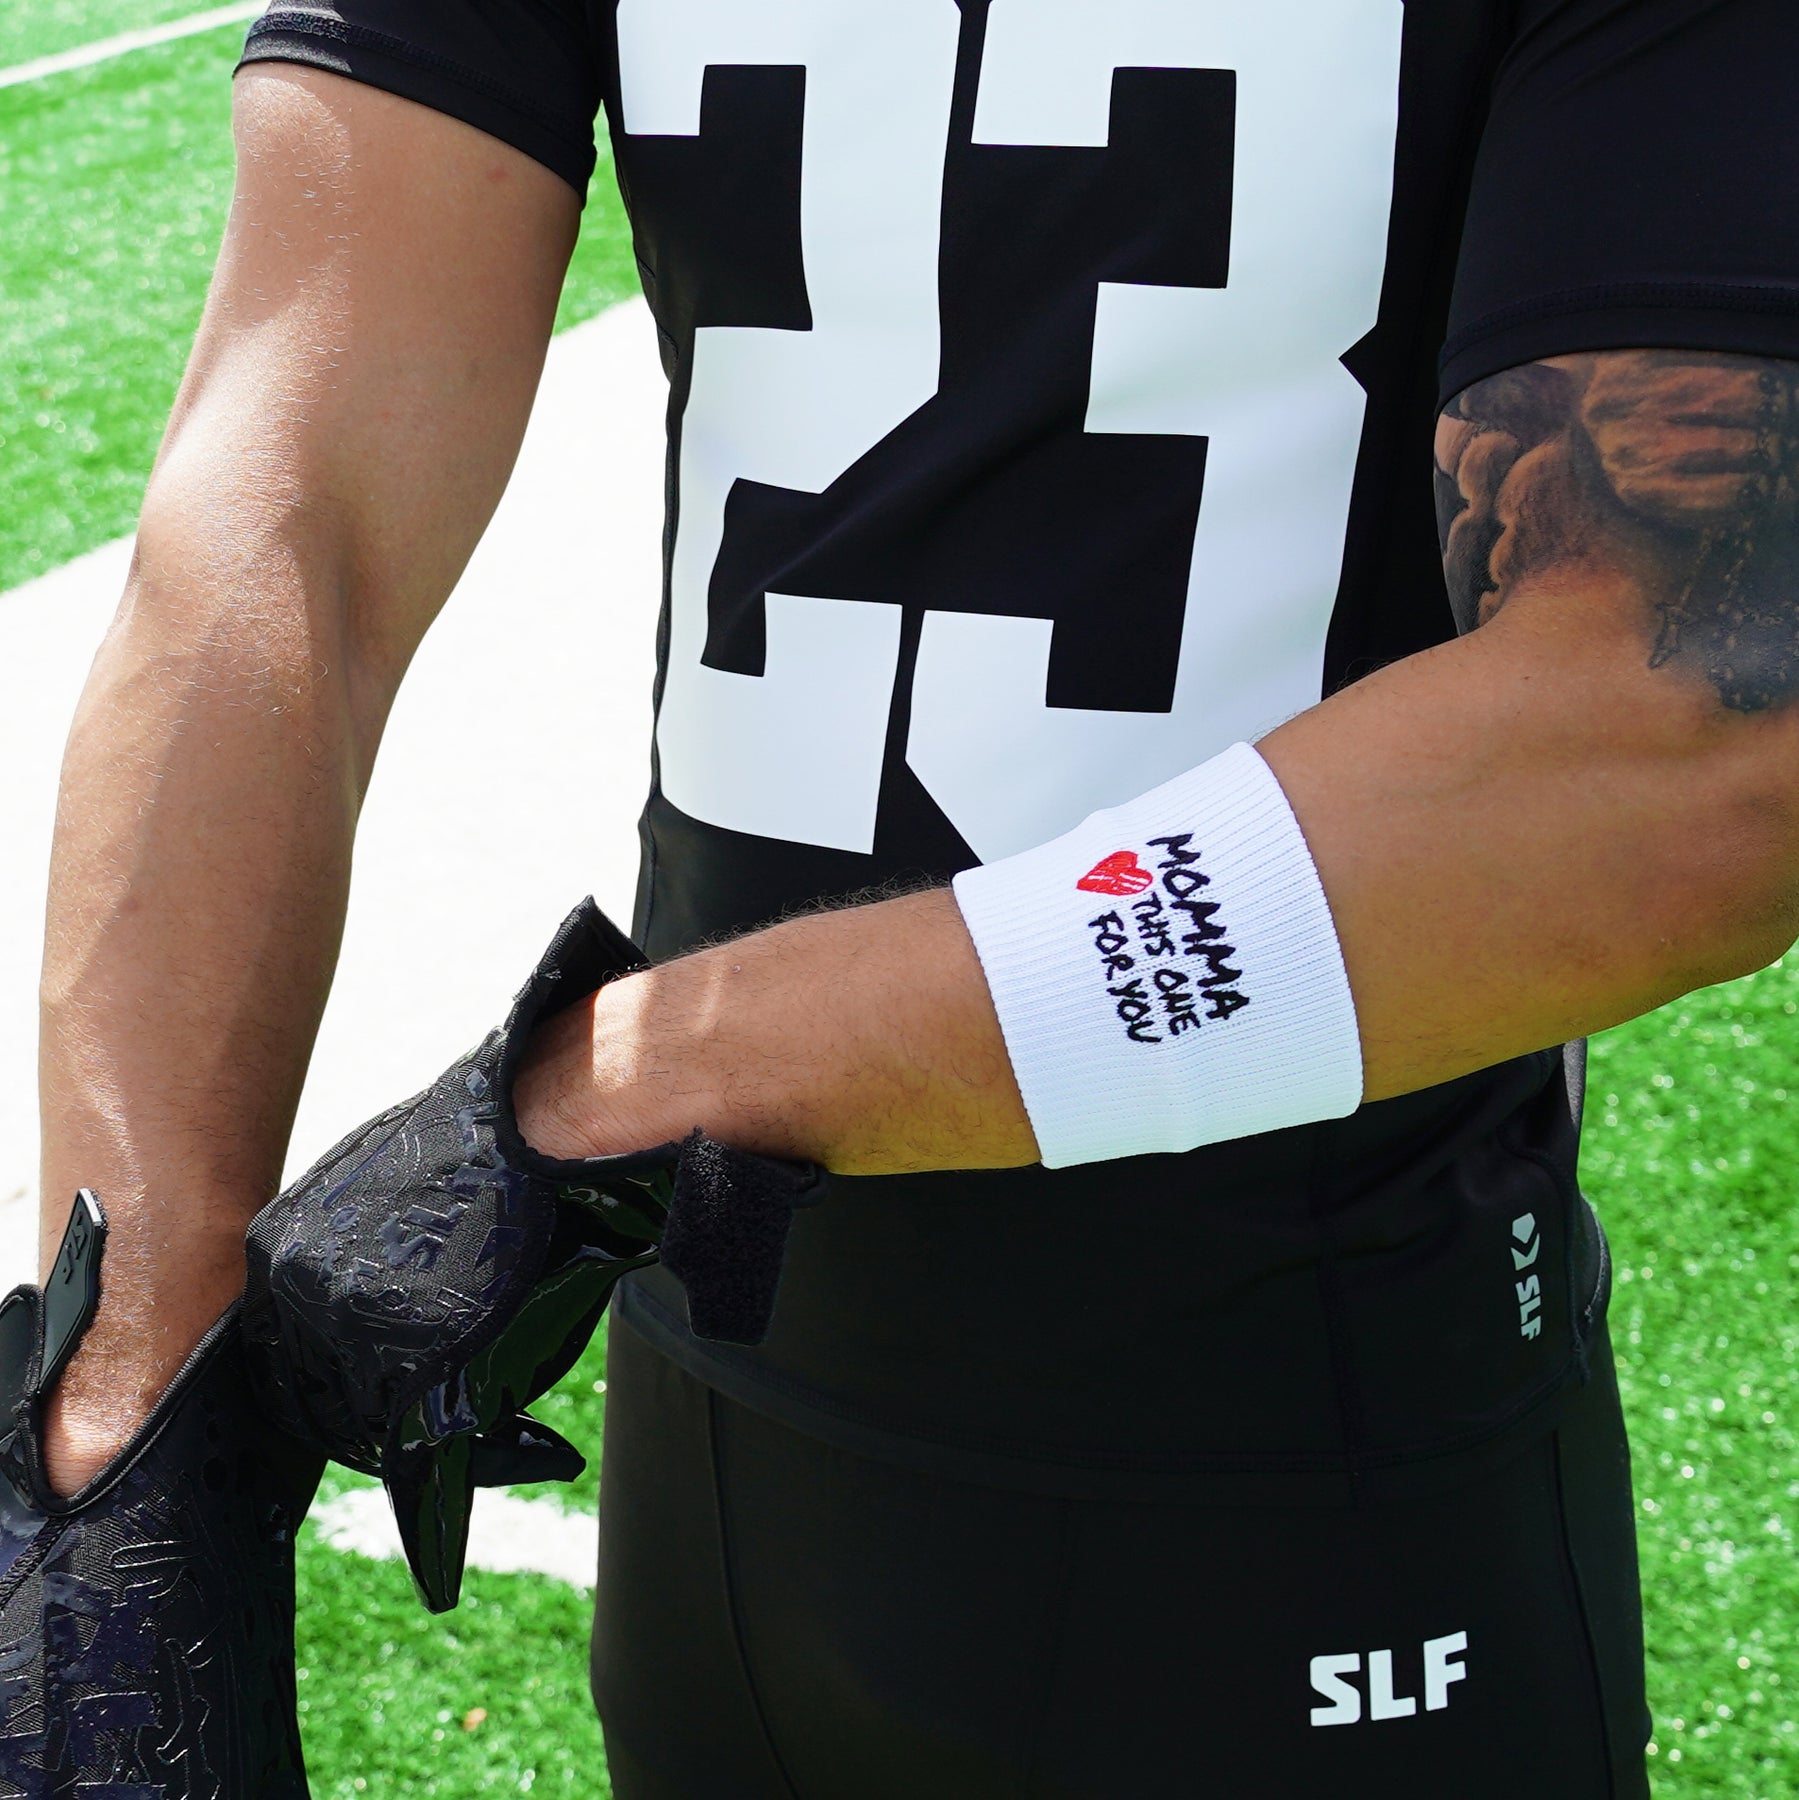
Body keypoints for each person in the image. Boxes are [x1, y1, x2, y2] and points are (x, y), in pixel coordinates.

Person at [35, 1, 1799, 1792]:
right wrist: (117, 1429)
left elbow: (1691, 747)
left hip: (1293, 1454)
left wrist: (644, 1085)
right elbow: (290, 502)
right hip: (724, 1446)